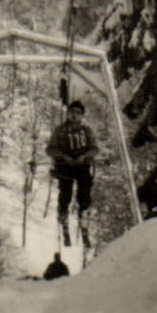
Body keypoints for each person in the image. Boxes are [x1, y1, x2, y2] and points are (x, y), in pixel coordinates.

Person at [46, 99, 99, 246]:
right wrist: (63, 156)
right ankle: (63, 219)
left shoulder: (87, 131)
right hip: (65, 167)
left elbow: (95, 149)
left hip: (82, 167)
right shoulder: (60, 130)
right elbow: (50, 149)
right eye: (72, 112)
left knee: (84, 195)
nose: (75, 115)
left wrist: (85, 156)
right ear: (68, 114)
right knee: (65, 194)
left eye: (78, 113)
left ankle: (83, 221)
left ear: (82, 116)